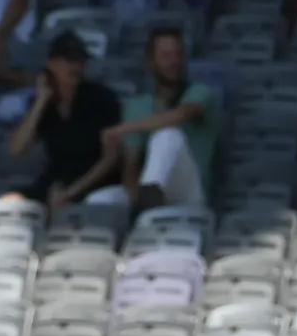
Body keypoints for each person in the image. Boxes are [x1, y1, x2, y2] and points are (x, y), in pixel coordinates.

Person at [92, 26, 216, 215]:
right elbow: (131, 164)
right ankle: (142, 210)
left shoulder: (200, 93)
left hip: (190, 192)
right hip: (146, 193)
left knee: (167, 135)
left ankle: (146, 205)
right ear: (151, 62)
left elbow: (183, 114)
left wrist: (123, 129)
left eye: (178, 54)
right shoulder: (137, 106)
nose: (174, 61)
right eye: (166, 56)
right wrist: (132, 194)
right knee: (99, 200)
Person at [6, 31, 120, 210]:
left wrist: (70, 193)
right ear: (51, 64)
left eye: (80, 61)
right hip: (57, 181)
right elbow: (17, 149)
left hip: (93, 182)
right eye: (69, 60)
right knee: (9, 201)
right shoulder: (46, 104)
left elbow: (110, 158)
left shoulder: (103, 99)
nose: (75, 67)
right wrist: (41, 100)